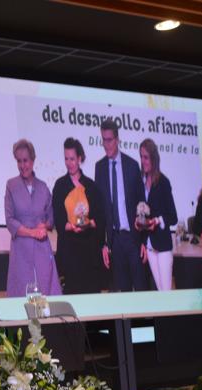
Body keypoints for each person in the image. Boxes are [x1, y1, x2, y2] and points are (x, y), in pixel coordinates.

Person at [95, 118, 147, 291]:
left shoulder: (132, 166)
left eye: (109, 140)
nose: (106, 144)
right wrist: (103, 243)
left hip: (133, 238)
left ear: (117, 140)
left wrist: (144, 241)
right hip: (115, 241)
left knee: (140, 290)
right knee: (121, 293)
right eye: (103, 139)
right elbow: (100, 210)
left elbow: (142, 205)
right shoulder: (99, 167)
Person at [5, 139, 61, 297]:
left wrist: (45, 226)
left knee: (46, 295)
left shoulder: (43, 187)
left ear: (33, 160)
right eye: (19, 161)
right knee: (22, 296)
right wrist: (32, 233)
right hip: (21, 250)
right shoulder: (11, 185)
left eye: (26, 160)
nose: (23, 165)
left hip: (42, 250)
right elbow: (10, 221)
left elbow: (51, 217)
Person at [52, 137, 105, 294]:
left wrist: (89, 224)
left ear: (80, 158)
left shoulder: (91, 186)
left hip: (89, 252)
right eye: (66, 159)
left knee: (91, 299)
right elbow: (58, 219)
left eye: (72, 159)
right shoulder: (60, 185)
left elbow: (100, 218)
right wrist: (71, 227)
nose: (69, 163)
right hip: (69, 252)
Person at [139, 138, 178, 291]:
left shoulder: (163, 182)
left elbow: (173, 216)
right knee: (160, 291)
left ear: (154, 158)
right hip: (149, 246)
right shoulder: (140, 183)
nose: (143, 161)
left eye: (146, 157)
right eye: (141, 157)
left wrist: (158, 220)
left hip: (163, 246)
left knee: (166, 292)